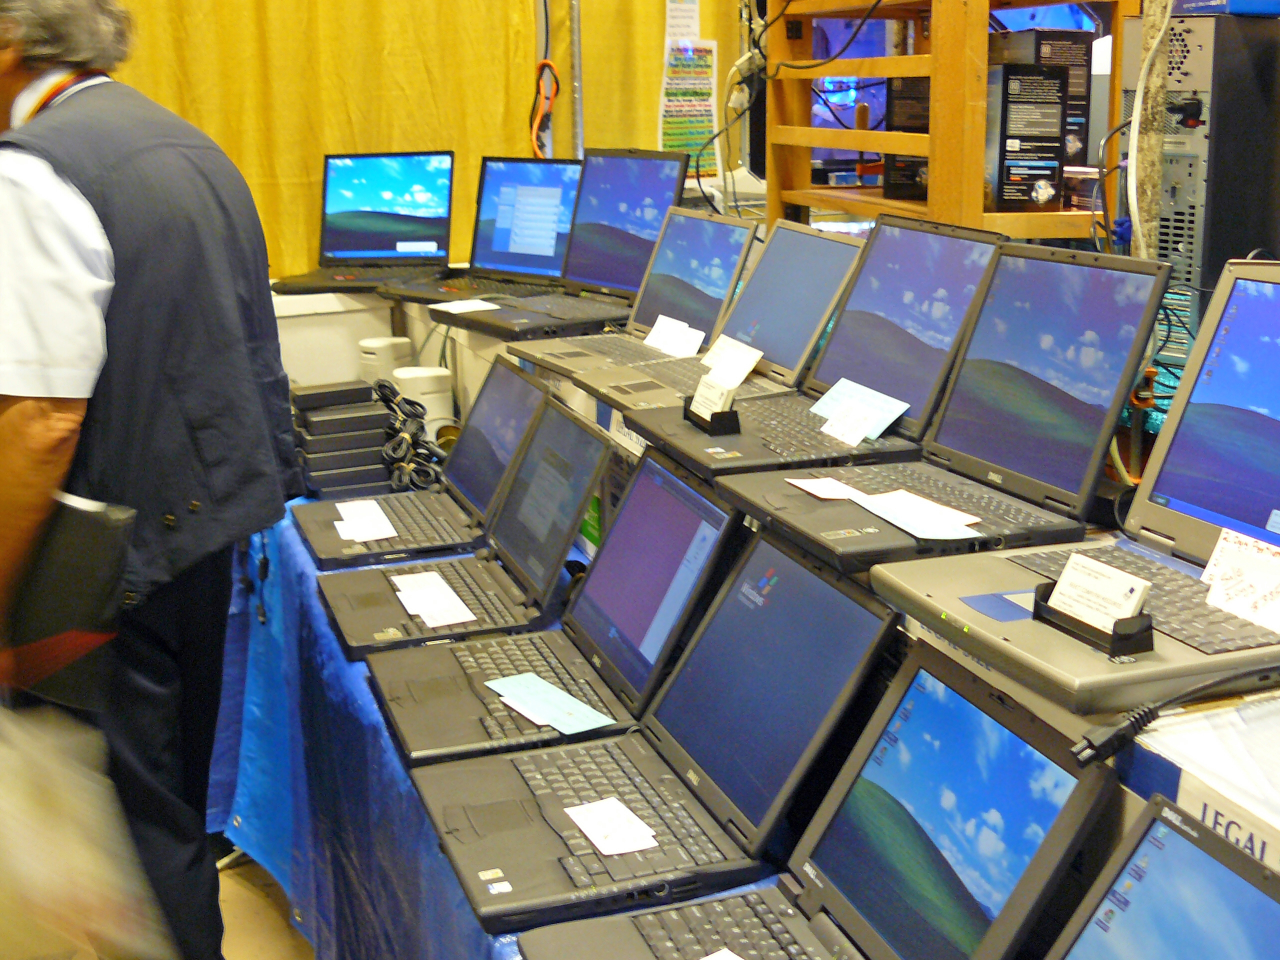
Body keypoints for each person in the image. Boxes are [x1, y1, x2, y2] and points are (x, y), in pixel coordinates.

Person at [0, 1, 301, 956]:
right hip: (203, 533)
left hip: (101, 561)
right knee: (171, 803)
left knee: (131, 819)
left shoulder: (32, 171)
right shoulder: (185, 143)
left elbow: (41, 421)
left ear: (10, 46)